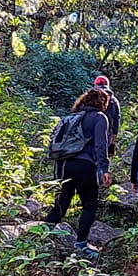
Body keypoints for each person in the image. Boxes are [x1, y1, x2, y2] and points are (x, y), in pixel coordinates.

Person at [43, 88, 113, 248]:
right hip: (84, 165)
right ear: (103, 102)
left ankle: (44, 236)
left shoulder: (70, 117)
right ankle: (81, 243)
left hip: (63, 164)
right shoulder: (99, 117)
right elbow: (100, 145)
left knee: (62, 201)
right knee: (89, 204)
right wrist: (104, 169)